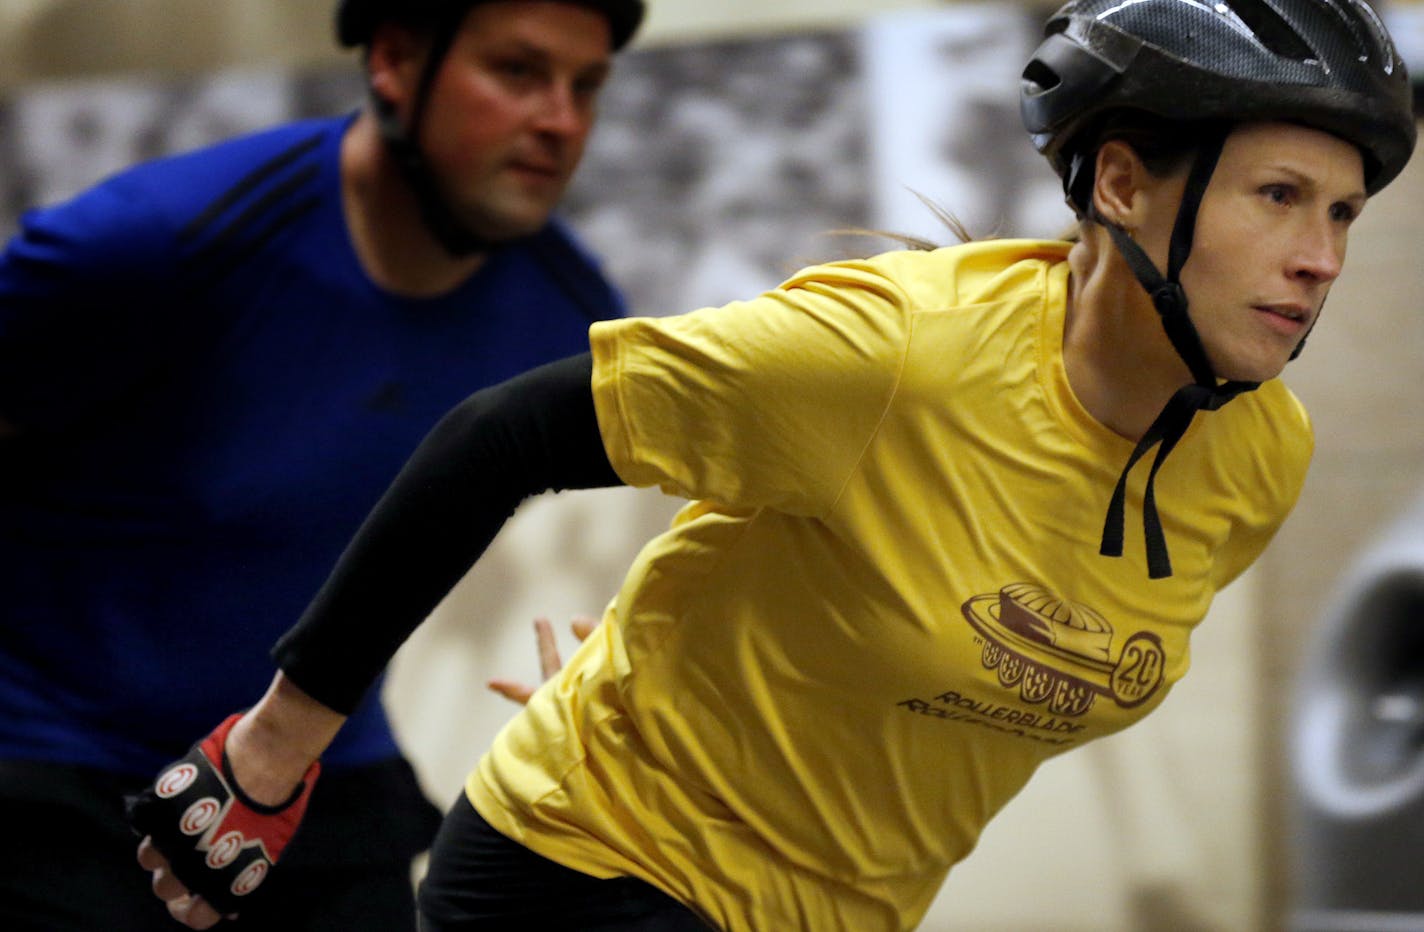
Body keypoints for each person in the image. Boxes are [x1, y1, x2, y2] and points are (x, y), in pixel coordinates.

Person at [132, 0, 1418, 929]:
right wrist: (272, 748)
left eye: (1342, 212)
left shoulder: (1255, 456)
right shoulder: (888, 359)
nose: (1319, 257)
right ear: (1124, 185)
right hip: (594, 865)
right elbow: (495, 437)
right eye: (1276, 196)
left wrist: (691, 661)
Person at [0, 1, 644, 930]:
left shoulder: (570, 316)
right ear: (393, 59)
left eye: (585, 87)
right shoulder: (154, 245)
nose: (561, 120)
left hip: (316, 777)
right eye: (518, 72)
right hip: (55, 771)